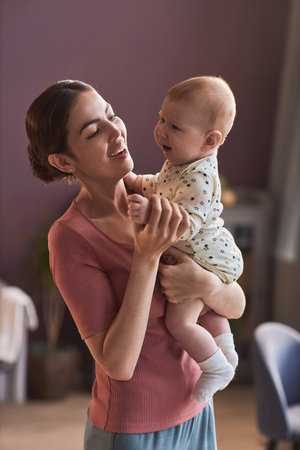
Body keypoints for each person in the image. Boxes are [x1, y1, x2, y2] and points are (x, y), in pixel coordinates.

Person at [25, 79, 245, 450]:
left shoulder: (157, 195)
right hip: (133, 429)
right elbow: (118, 365)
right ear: (64, 161)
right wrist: (146, 257)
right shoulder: (70, 238)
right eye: (95, 131)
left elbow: (235, 304)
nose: (116, 131)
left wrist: (205, 285)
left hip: (197, 409)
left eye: (111, 115)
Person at [126, 76, 244, 403]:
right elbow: (164, 186)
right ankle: (226, 353)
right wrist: (138, 182)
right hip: (206, 256)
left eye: (174, 127)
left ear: (210, 140)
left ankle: (215, 368)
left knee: (180, 321)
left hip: (205, 257)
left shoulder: (201, 177)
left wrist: (149, 212)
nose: (161, 130)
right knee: (207, 310)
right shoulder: (183, 161)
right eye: (161, 118)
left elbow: (184, 223)